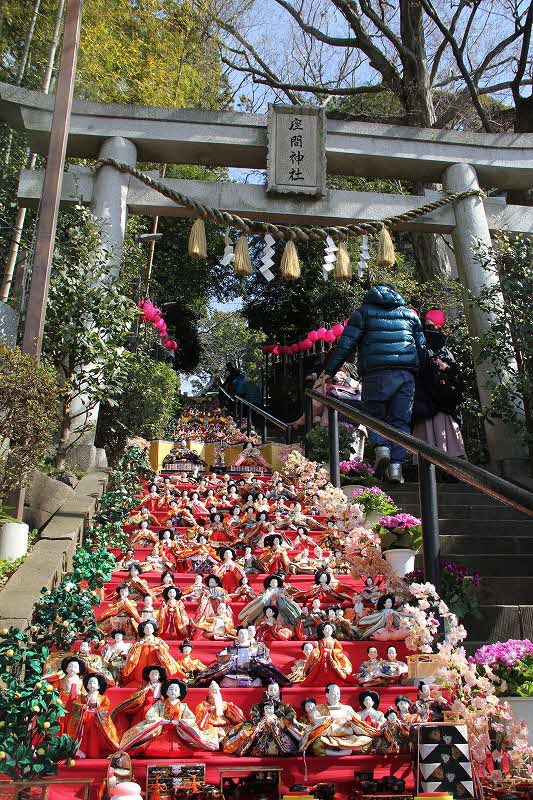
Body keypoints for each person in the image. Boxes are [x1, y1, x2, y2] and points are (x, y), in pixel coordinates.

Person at [323, 283, 426, 483]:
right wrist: (418, 370)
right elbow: (421, 347)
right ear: (396, 293)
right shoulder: (409, 315)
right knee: (400, 421)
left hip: (375, 374)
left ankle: (382, 448)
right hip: (405, 374)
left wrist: (330, 371)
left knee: (373, 416)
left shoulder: (363, 313)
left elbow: (346, 344)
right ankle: (396, 468)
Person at [412, 309, 466, 459]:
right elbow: (456, 374)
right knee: (452, 452)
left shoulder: (417, 346)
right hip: (446, 405)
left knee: (426, 453)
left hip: (424, 404)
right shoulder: (445, 349)